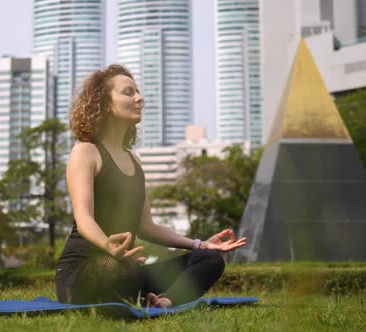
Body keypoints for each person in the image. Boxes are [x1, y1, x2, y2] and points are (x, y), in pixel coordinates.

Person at [56, 64, 247, 308]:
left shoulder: (134, 160)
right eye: (128, 92)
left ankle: (164, 302)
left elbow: (146, 227)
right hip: (83, 272)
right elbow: (83, 217)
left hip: (128, 269)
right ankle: (131, 294)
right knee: (122, 266)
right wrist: (107, 245)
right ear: (103, 103)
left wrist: (201, 244)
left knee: (210, 259)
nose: (140, 98)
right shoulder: (86, 151)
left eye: (138, 91)